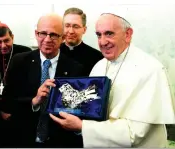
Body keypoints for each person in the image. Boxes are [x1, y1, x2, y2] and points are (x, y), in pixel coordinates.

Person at [49, 12, 175, 147]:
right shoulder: (99, 66)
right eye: (98, 35)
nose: (102, 42)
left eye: (109, 33)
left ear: (128, 34)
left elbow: (135, 134)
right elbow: (90, 111)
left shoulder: (150, 69)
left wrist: (82, 127)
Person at [1, 14, 84, 148]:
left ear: (62, 38)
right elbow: (7, 103)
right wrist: (34, 101)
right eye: (43, 33)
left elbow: (79, 109)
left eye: (54, 35)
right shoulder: (19, 61)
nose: (47, 39)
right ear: (36, 34)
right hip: (24, 138)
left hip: (59, 140)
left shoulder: (75, 68)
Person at [60, 7, 103, 76]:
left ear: (84, 29)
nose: (71, 31)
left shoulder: (98, 57)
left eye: (76, 26)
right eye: (67, 26)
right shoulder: (53, 53)